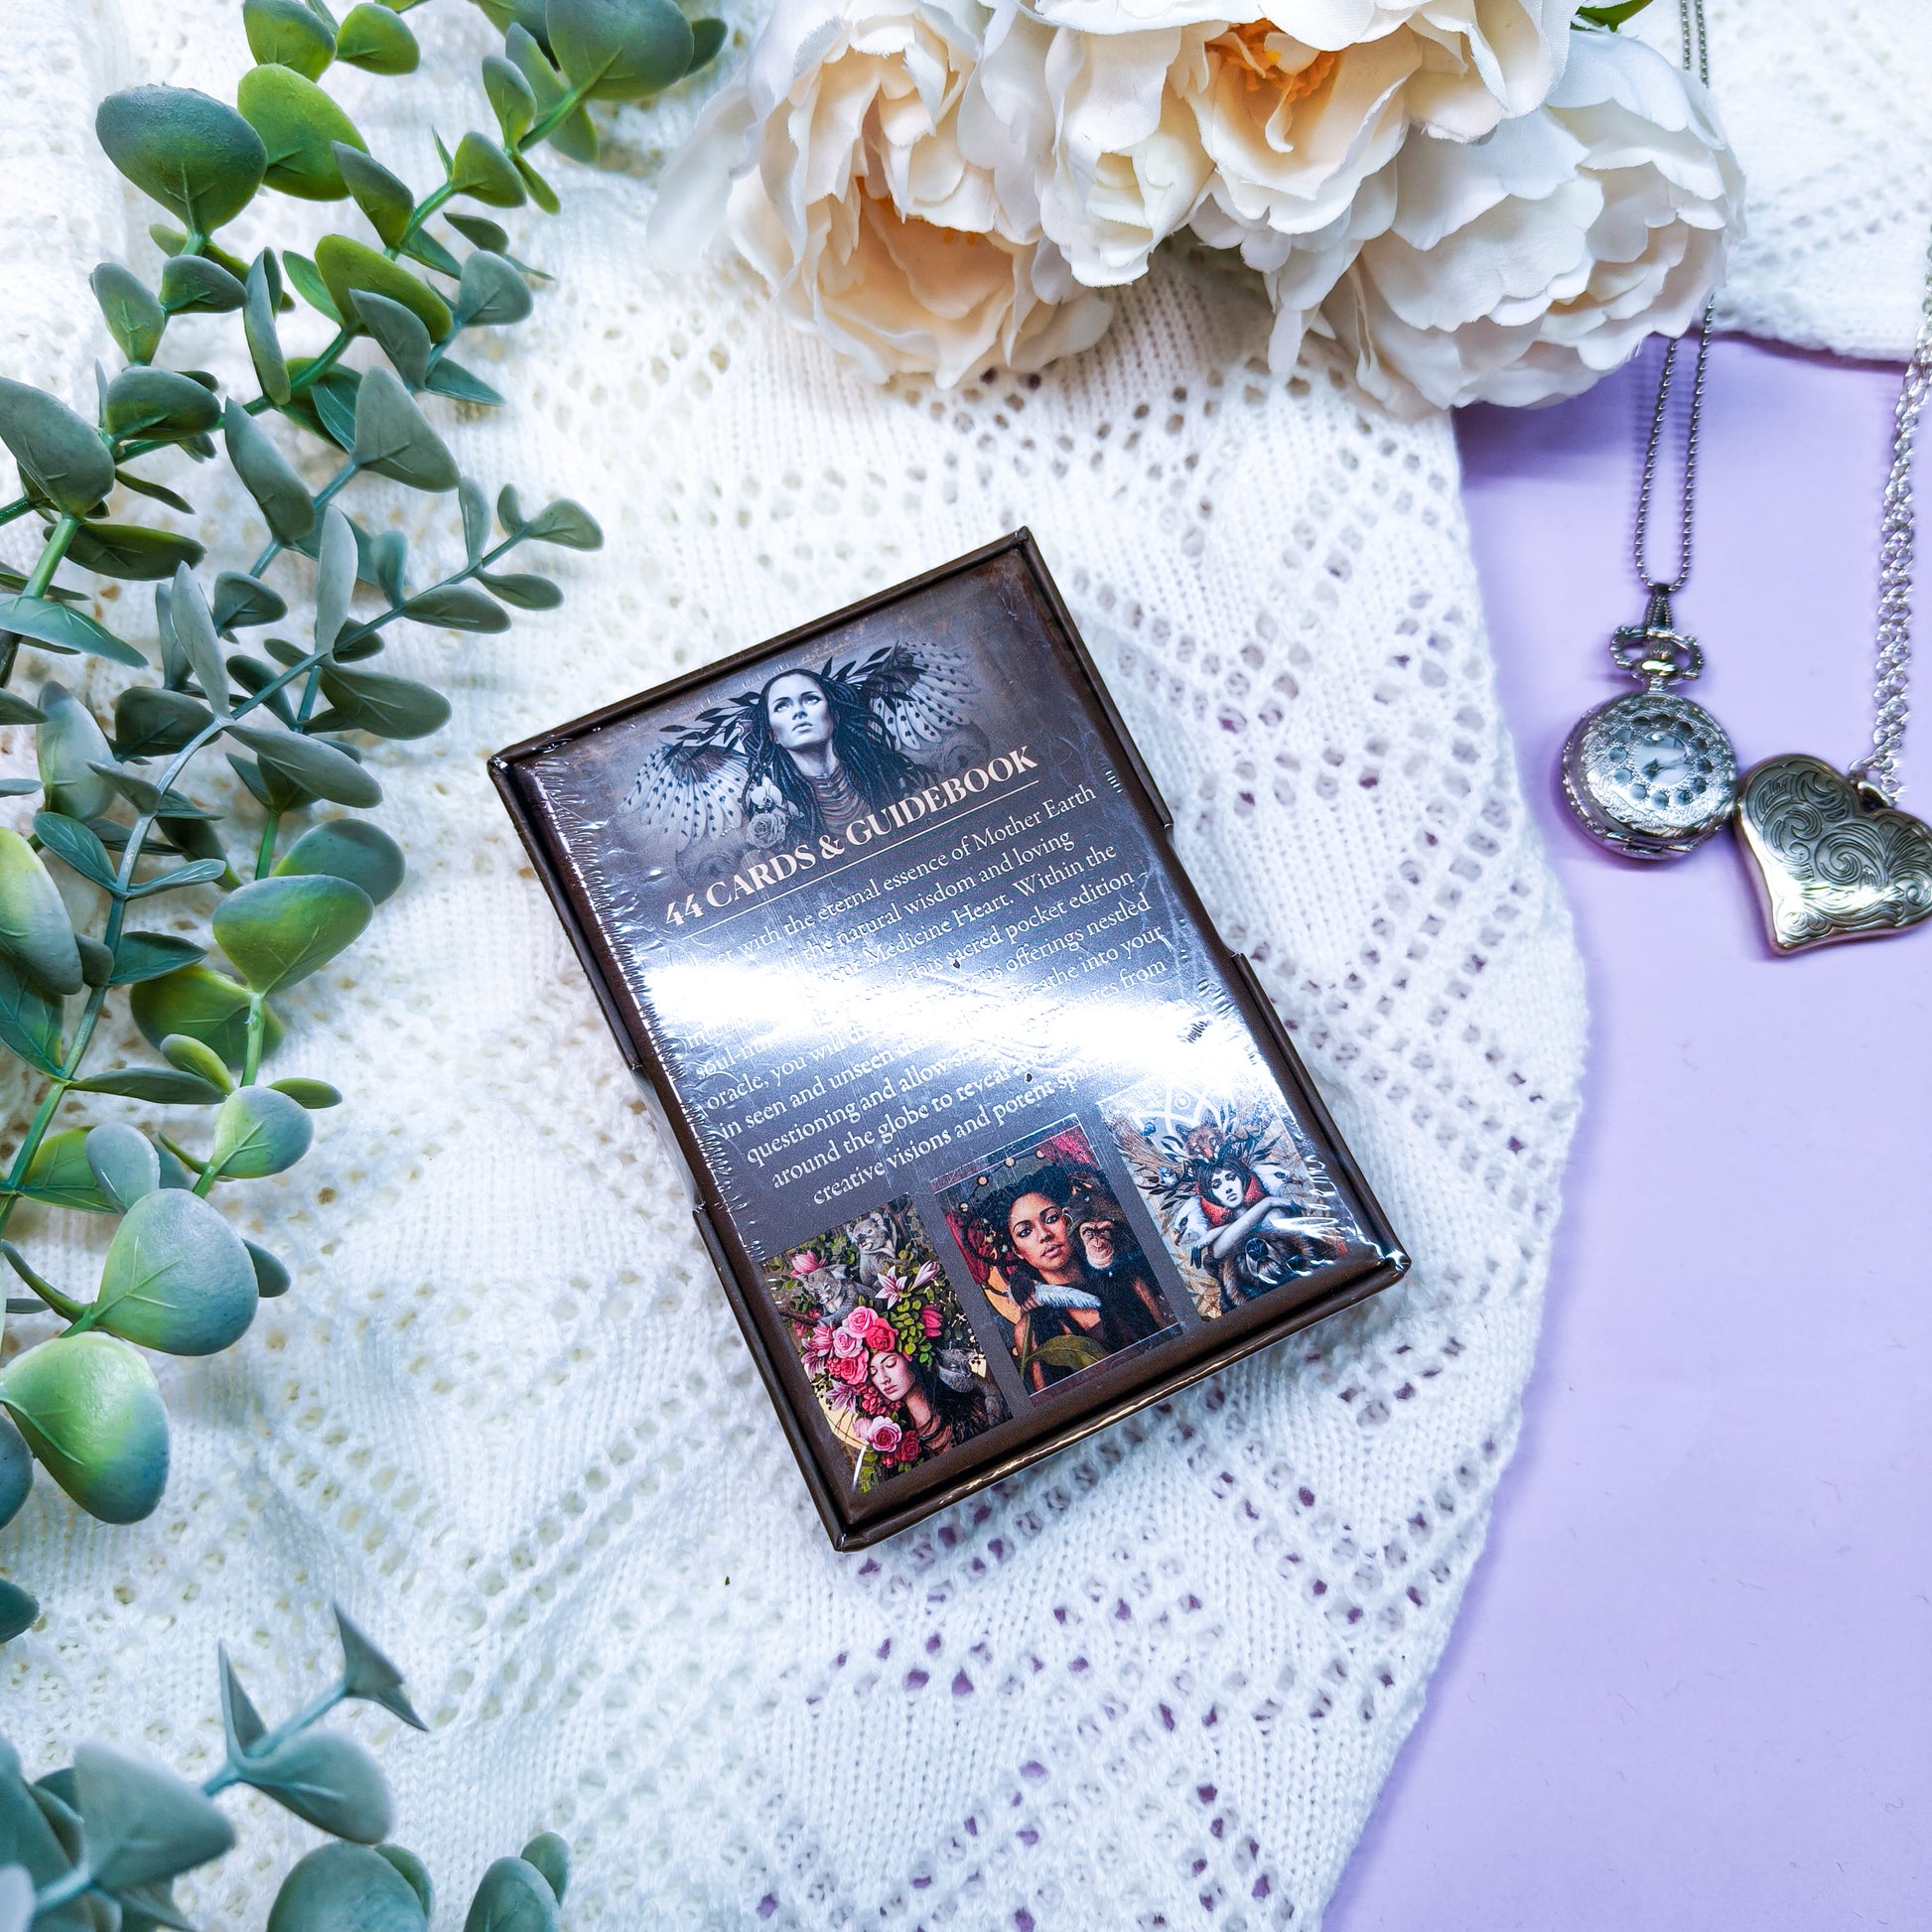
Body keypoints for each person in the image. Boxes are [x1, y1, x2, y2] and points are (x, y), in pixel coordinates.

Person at [991, 1169, 1173, 1392]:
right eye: (1024, 1231)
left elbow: (1174, 1351)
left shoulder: (1131, 1285)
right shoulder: (1028, 1331)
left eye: (1052, 1218)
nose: (1044, 1234)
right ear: (1017, 1251)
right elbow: (1052, 1404)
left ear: (1069, 1220)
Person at [744, 666, 923, 844]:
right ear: (772, 734)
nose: (798, 712)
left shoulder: (887, 775)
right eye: (781, 706)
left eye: (811, 699)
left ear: (834, 715)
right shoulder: (775, 808)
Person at [867, 1347, 997, 1456]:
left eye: (890, 1364)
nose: (883, 1379)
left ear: (913, 1357)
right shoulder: (893, 1436)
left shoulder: (972, 1409)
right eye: (873, 1372)